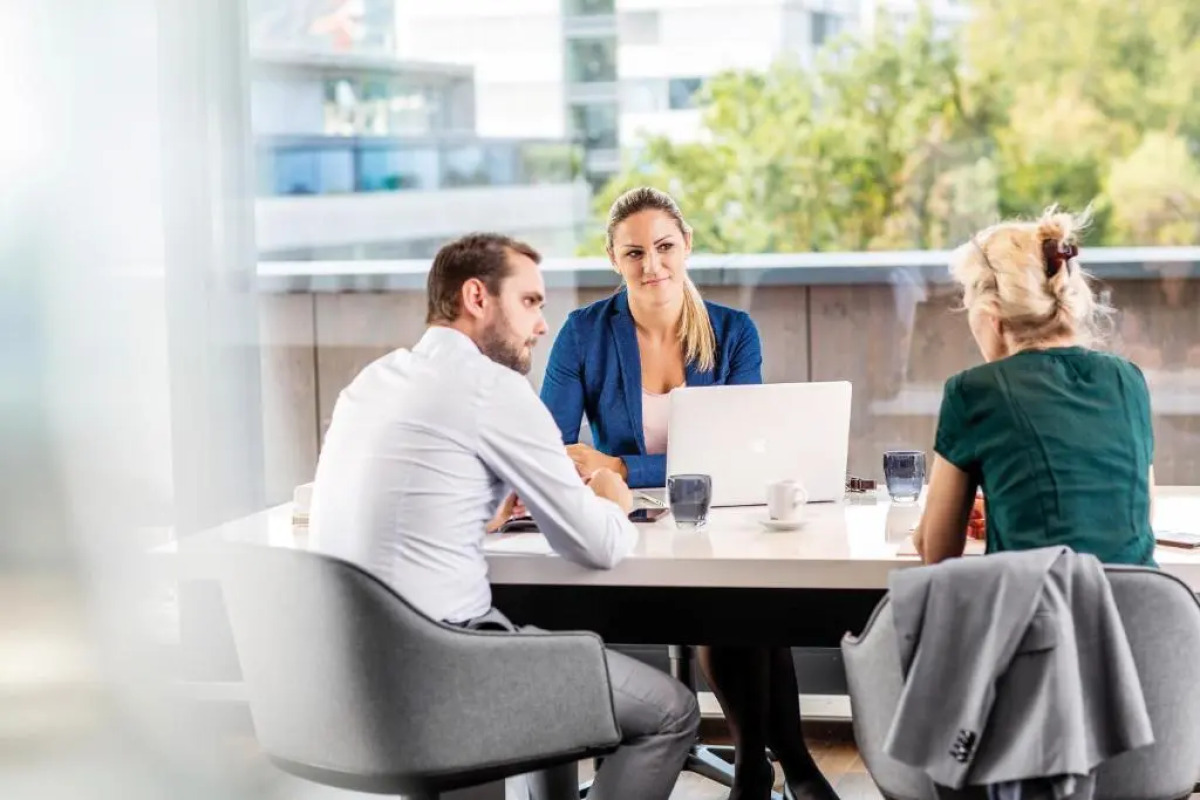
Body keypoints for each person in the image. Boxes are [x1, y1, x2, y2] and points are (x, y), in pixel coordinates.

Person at [308, 233, 700, 800]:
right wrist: (612, 498)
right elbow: (598, 546)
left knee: (543, 652)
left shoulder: (371, 382)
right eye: (530, 303)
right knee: (671, 712)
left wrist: (480, 507)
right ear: (476, 297)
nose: (542, 325)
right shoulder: (492, 388)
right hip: (446, 669)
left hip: (343, 679)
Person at [541, 187, 839, 800]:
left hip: (720, 519)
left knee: (740, 596)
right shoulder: (583, 334)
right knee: (732, 606)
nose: (651, 265)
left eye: (664, 247)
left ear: (688, 246)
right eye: (633, 253)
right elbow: (552, 451)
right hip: (629, 527)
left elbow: (731, 460)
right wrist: (624, 476)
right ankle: (783, 768)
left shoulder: (732, 333)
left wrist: (620, 464)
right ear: (613, 259)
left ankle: (767, 768)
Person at [915, 207, 1157, 567]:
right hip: (1139, 614)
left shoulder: (974, 391)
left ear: (990, 314)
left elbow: (937, 553)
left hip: (1034, 614)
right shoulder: (1129, 380)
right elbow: (1140, 517)